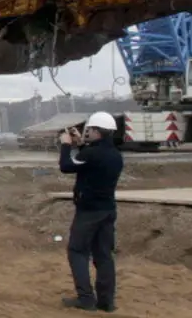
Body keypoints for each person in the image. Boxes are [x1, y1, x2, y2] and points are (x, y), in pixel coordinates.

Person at [58, 110, 123, 313]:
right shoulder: (115, 155)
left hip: (88, 212)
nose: (87, 132)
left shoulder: (91, 154)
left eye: (90, 130)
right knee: (103, 256)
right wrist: (82, 145)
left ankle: (86, 298)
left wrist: (66, 144)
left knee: (77, 251)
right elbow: (89, 160)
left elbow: (67, 166)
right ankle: (106, 302)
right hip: (108, 210)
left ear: (97, 131)